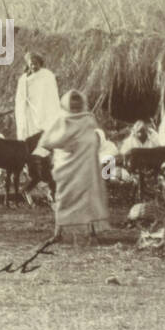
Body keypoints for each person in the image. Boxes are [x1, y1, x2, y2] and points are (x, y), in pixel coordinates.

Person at [39, 90, 110, 245]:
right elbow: (45, 141)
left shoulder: (89, 119)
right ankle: (58, 233)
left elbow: (93, 140)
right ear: (67, 104)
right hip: (66, 167)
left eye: (78, 103)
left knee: (88, 200)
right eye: (73, 104)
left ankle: (92, 234)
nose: (76, 107)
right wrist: (64, 145)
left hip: (86, 166)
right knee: (63, 199)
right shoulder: (61, 120)